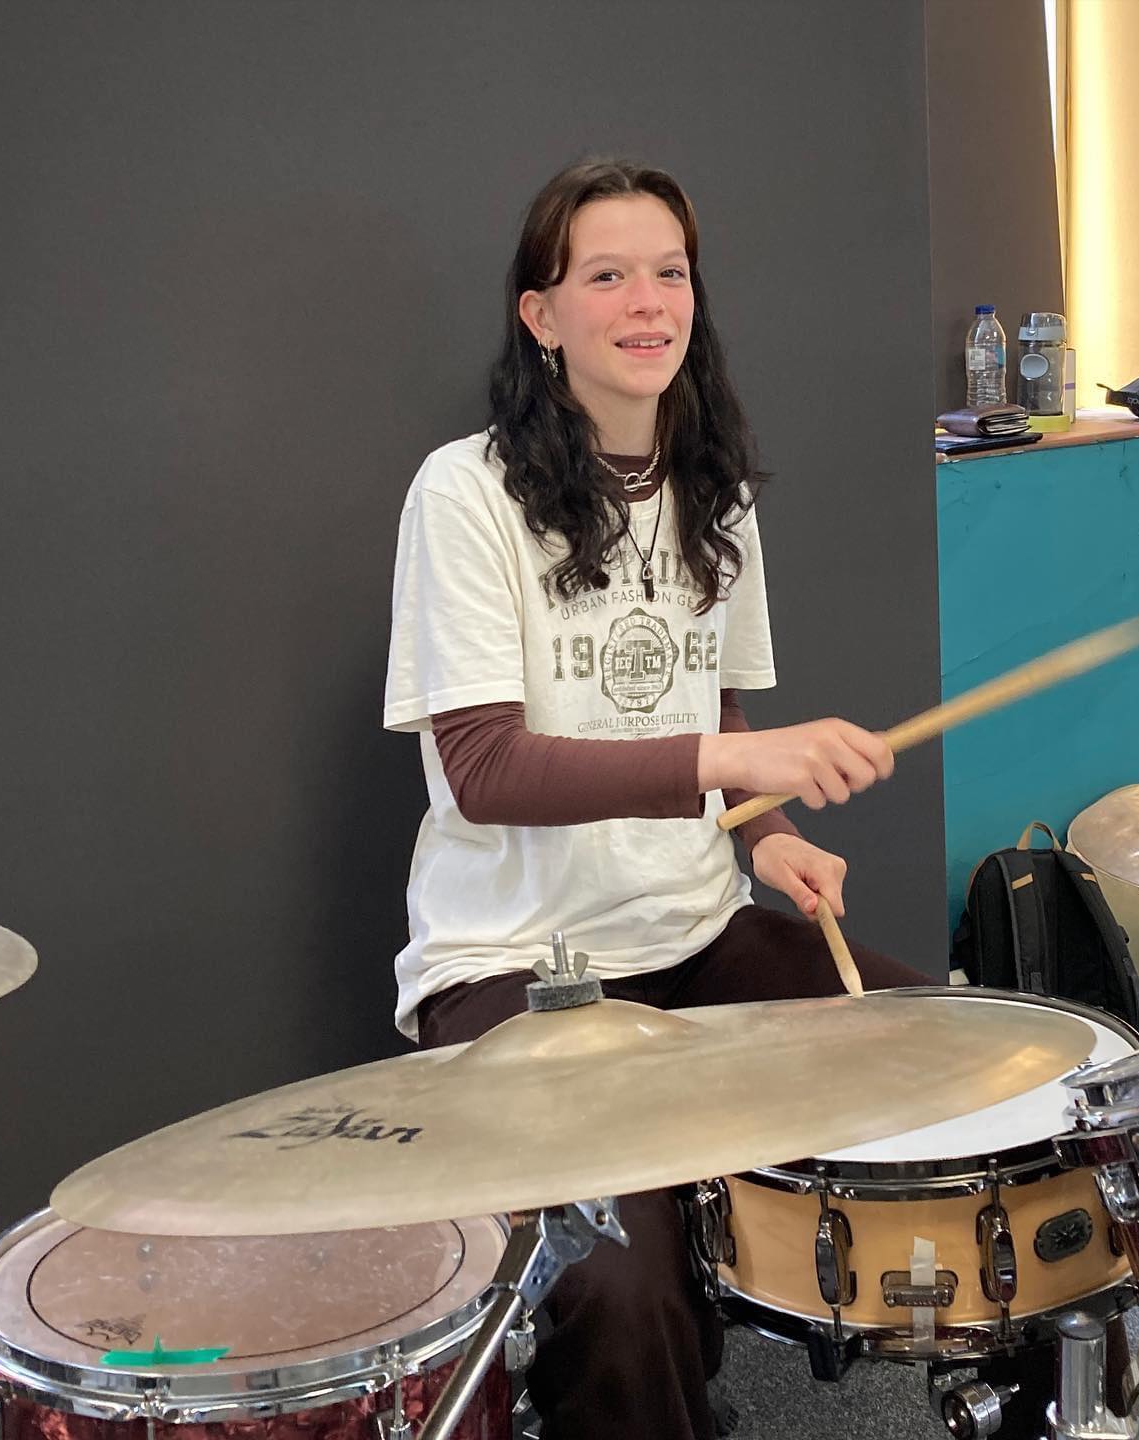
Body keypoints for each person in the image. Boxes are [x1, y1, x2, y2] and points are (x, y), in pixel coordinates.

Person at [383, 158, 928, 1440]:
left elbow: (717, 717)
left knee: (968, 1065)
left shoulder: (711, 488)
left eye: (669, 272)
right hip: (517, 972)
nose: (647, 301)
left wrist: (775, 837)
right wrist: (735, 771)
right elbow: (486, 769)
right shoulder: (462, 494)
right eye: (606, 274)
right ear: (541, 314)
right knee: (621, 1291)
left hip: (695, 936)